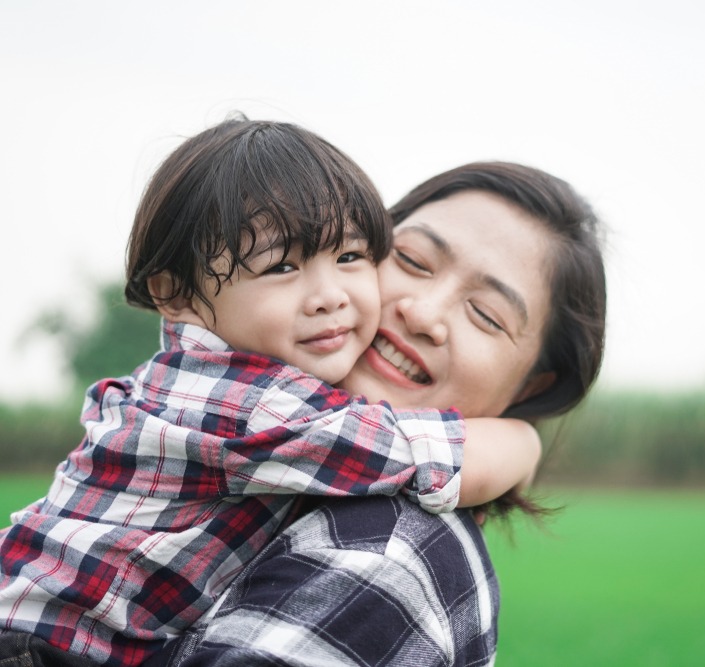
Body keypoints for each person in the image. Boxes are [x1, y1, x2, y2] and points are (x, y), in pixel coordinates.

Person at [0, 121, 542, 667]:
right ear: (178, 293)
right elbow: (426, 455)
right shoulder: (250, 406)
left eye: (350, 256)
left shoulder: (184, 378)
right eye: (282, 266)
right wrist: (524, 444)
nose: (329, 295)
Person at [146, 160, 608, 666]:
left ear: (531, 385)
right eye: (411, 259)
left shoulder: (387, 545)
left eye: (486, 315)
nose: (424, 313)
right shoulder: (204, 417)